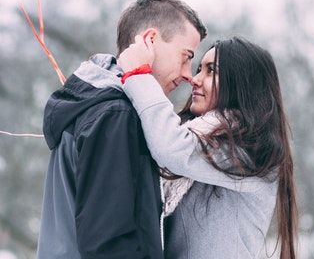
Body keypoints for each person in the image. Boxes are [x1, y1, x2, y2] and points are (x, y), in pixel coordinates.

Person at [36, 0, 207, 258]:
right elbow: (109, 239)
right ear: (150, 40)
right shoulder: (115, 114)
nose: (188, 74)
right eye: (186, 56)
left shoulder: (94, 104)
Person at [117, 36, 298, 258]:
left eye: (211, 71)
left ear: (242, 83)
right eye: (199, 69)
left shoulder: (251, 149)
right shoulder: (198, 136)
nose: (195, 79)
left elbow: (172, 149)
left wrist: (139, 76)